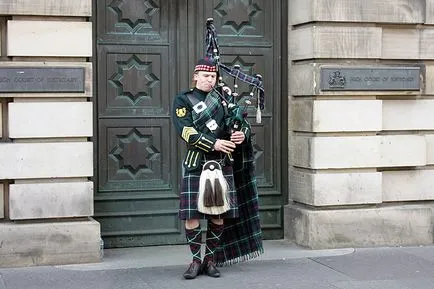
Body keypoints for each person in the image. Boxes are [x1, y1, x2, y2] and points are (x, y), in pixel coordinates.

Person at [172, 58, 263, 280]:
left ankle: (210, 260)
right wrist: (213, 143)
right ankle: (195, 261)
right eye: (205, 76)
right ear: (195, 76)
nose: (209, 79)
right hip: (197, 162)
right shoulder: (184, 100)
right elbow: (185, 131)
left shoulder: (225, 100)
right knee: (191, 215)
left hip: (223, 163)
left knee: (218, 214)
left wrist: (242, 134)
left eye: (213, 76)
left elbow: (241, 124)